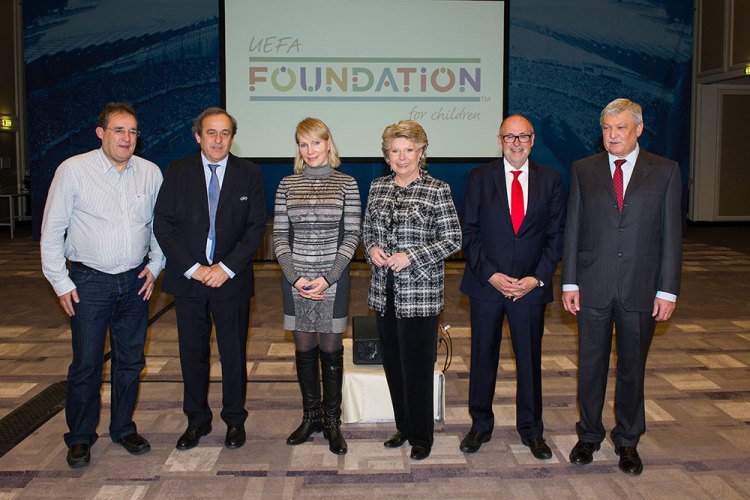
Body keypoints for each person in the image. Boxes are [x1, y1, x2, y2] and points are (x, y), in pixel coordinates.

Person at [40, 102, 165, 468]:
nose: (127, 138)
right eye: (118, 131)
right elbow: (51, 232)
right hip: (88, 282)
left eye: (132, 132)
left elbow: (160, 227)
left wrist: (156, 267)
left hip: (135, 282)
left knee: (130, 362)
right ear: (101, 132)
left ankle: (123, 427)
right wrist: (61, 282)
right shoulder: (74, 170)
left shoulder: (150, 173)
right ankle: (80, 437)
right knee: (87, 364)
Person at [562, 98, 682, 475]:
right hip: (592, 285)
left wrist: (667, 290)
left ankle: (628, 441)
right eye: (607, 129)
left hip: (641, 289)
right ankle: (589, 435)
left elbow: (671, 235)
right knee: (590, 366)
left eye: (621, 128)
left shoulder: (665, 171)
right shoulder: (584, 169)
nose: (612, 136)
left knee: (632, 368)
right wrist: (569, 281)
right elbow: (573, 227)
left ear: (638, 129)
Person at [153, 107, 266, 451]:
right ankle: (197, 421)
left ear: (233, 137)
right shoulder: (177, 171)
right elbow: (163, 225)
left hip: (230, 280)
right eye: (211, 133)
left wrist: (225, 268)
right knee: (192, 354)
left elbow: (256, 227)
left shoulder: (249, 173)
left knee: (233, 354)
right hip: (189, 281)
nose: (218, 140)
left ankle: (234, 420)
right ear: (198, 136)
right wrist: (194, 268)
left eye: (225, 133)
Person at [459, 115, 565, 459]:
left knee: (530, 360)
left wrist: (536, 278)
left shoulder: (551, 181)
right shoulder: (479, 178)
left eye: (523, 137)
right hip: (487, 285)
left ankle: (532, 430)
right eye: (509, 137)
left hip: (530, 288)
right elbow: (469, 233)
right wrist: (490, 274)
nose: (516, 143)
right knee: (483, 358)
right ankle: (480, 425)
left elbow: (555, 237)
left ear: (533, 140)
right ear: (499, 140)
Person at [362, 119, 461, 461]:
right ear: (386, 155)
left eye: (409, 150)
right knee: (393, 364)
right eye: (395, 151)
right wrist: (372, 248)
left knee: (418, 367)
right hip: (384, 293)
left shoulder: (437, 189)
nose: (402, 157)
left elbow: (453, 239)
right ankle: (403, 426)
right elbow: (367, 232)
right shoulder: (377, 187)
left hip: (420, 295)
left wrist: (412, 256)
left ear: (422, 152)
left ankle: (422, 436)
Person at [272, 117, 361, 455]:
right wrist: (297, 279)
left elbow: (352, 235)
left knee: (330, 349)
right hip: (295, 281)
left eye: (316, 142)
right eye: (303, 143)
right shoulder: (286, 184)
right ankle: (311, 416)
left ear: (328, 144)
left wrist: (327, 277)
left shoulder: (347, 183)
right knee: (305, 349)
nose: (310, 150)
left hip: (333, 282)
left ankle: (332, 421)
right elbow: (279, 236)